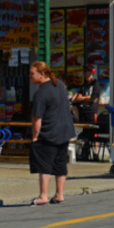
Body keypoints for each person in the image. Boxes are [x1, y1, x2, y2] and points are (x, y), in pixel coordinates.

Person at [28, 61, 76, 206]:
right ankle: (59, 194)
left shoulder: (41, 93)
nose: (29, 76)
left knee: (45, 164)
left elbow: (37, 118)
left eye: (32, 73)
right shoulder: (59, 84)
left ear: (42, 74)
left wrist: (35, 136)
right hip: (65, 130)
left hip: (49, 132)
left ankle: (43, 196)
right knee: (60, 163)